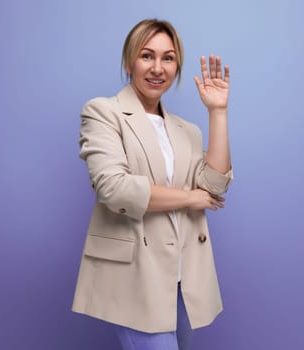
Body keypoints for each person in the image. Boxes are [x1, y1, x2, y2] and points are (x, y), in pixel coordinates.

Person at [72, 18, 233, 350]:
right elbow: (114, 189)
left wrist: (218, 112)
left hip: (183, 275)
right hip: (136, 275)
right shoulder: (104, 112)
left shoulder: (185, 129)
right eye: (147, 56)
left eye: (168, 58)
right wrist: (190, 199)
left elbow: (214, 186)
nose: (158, 68)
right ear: (129, 60)